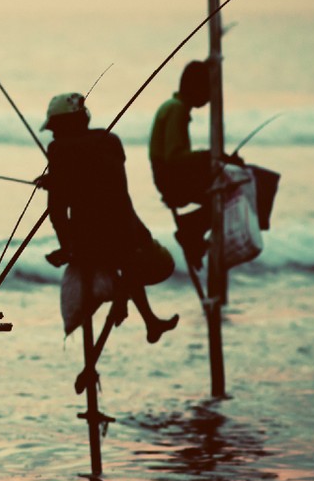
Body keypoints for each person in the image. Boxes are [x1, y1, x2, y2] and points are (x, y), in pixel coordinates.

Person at [39, 92, 179, 343]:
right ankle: (146, 318)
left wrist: (67, 247)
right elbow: (106, 188)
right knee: (130, 263)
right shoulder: (110, 141)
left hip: (90, 244)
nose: (52, 134)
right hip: (128, 234)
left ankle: (132, 311)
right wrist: (59, 179)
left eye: (55, 128)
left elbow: (57, 211)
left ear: (63, 125)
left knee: (124, 263)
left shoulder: (59, 150)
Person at [149, 60, 218, 269]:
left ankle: (192, 235)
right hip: (173, 180)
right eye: (207, 90)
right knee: (229, 192)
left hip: (169, 178)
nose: (209, 96)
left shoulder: (174, 107)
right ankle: (190, 231)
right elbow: (174, 157)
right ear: (196, 88)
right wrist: (210, 156)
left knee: (225, 188)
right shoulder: (176, 110)